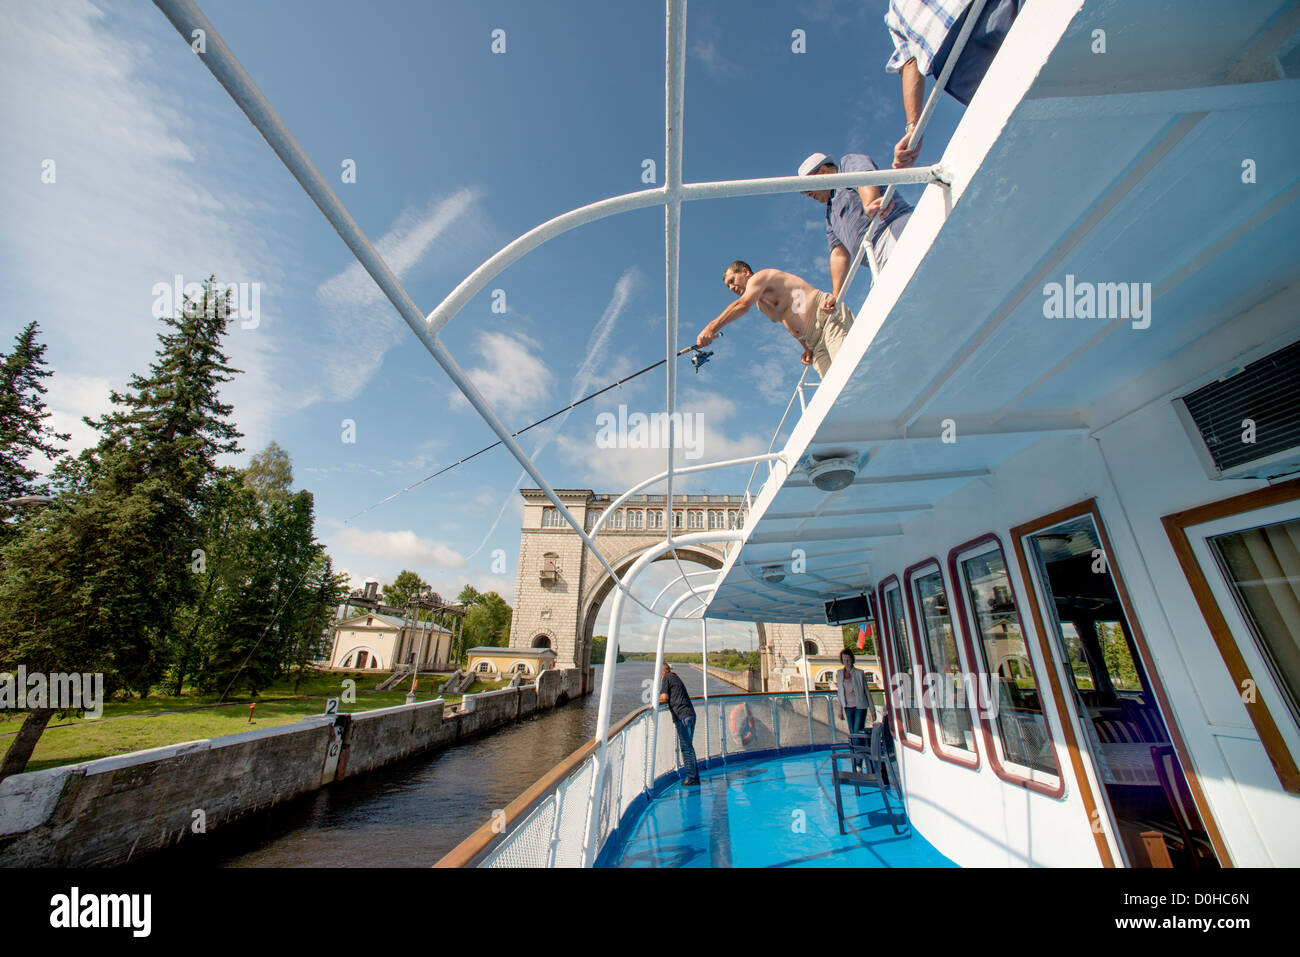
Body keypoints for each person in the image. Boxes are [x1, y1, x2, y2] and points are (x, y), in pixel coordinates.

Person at [886, 0, 1021, 168]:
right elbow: (908, 60)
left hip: (985, 9)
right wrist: (914, 128)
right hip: (957, 66)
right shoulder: (894, 15)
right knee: (1016, 104)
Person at [797, 152, 914, 311]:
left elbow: (863, 177)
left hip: (893, 232)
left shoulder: (846, 165)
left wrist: (870, 202)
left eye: (807, 188)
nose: (808, 195)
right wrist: (836, 294)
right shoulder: (830, 215)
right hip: (875, 257)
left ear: (823, 171)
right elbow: (838, 253)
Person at [696, 261, 851, 378]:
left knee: (849, 371)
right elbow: (787, 323)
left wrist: (711, 328)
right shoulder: (761, 305)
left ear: (745, 272)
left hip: (826, 318)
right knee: (835, 389)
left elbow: (742, 305)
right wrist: (806, 347)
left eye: (732, 281)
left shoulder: (761, 277)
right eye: (728, 287)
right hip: (814, 343)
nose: (731, 288)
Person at [659, 662, 699, 786]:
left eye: (659, 675)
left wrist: (657, 699)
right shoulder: (676, 677)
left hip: (682, 716)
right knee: (689, 747)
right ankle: (694, 776)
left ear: (663, 671)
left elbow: (664, 697)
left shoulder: (666, 677)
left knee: (686, 748)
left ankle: (692, 779)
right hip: (690, 714)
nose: (660, 678)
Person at [836, 649, 876, 767]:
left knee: (857, 732)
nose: (846, 661)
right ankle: (860, 755)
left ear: (852, 659)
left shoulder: (859, 673)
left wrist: (872, 710)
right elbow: (839, 693)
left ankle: (858, 762)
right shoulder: (839, 674)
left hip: (860, 706)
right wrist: (839, 710)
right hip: (848, 707)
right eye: (844, 659)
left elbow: (867, 692)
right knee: (853, 733)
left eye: (848, 659)